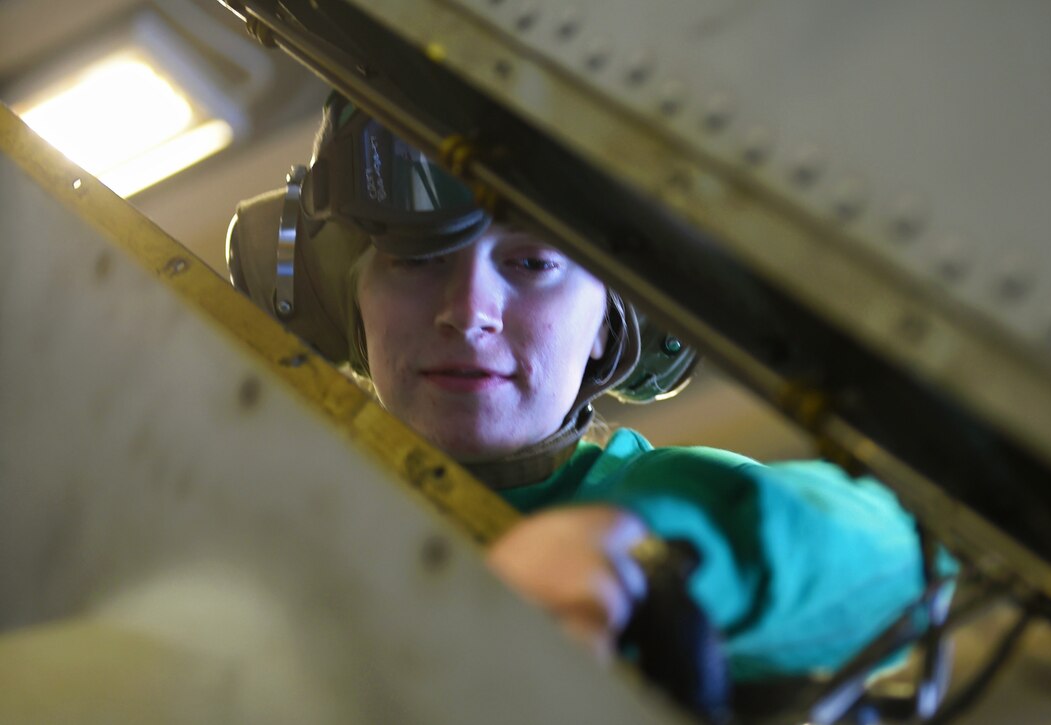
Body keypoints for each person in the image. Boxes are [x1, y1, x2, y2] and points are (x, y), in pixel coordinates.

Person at [227, 93, 932, 693]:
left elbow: (907, 556)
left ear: (604, 324)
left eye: (531, 262)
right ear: (351, 297)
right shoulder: (246, 495)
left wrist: (637, 550)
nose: (467, 310)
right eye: (416, 256)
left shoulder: (674, 498)